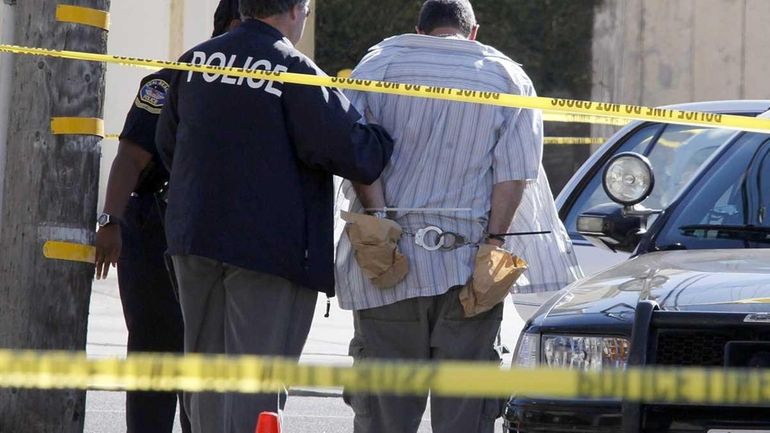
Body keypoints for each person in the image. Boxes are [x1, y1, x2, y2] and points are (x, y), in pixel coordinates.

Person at [335, 1, 583, 432]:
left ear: (420, 29)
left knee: (385, 414)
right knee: (465, 416)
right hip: (468, 268)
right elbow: (515, 174)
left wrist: (377, 218)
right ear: (473, 31)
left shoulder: (379, 63)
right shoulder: (506, 76)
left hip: (387, 265)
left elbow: (356, 151)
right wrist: (495, 244)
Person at [154, 0, 394, 432]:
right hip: (268, 247)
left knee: (205, 375)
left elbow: (168, 144)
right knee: (255, 380)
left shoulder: (195, 60)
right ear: (298, 10)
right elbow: (354, 151)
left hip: (194, 236)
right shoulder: (292, 69)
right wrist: (378, 133)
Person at [93, 2, 241, 432]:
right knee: (156, 350)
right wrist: (111, 221)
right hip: (154, 226)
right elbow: (130, 157)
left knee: (206, 356)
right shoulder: (172, 79)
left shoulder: (259, 87)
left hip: (215, 233)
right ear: (234, 26)